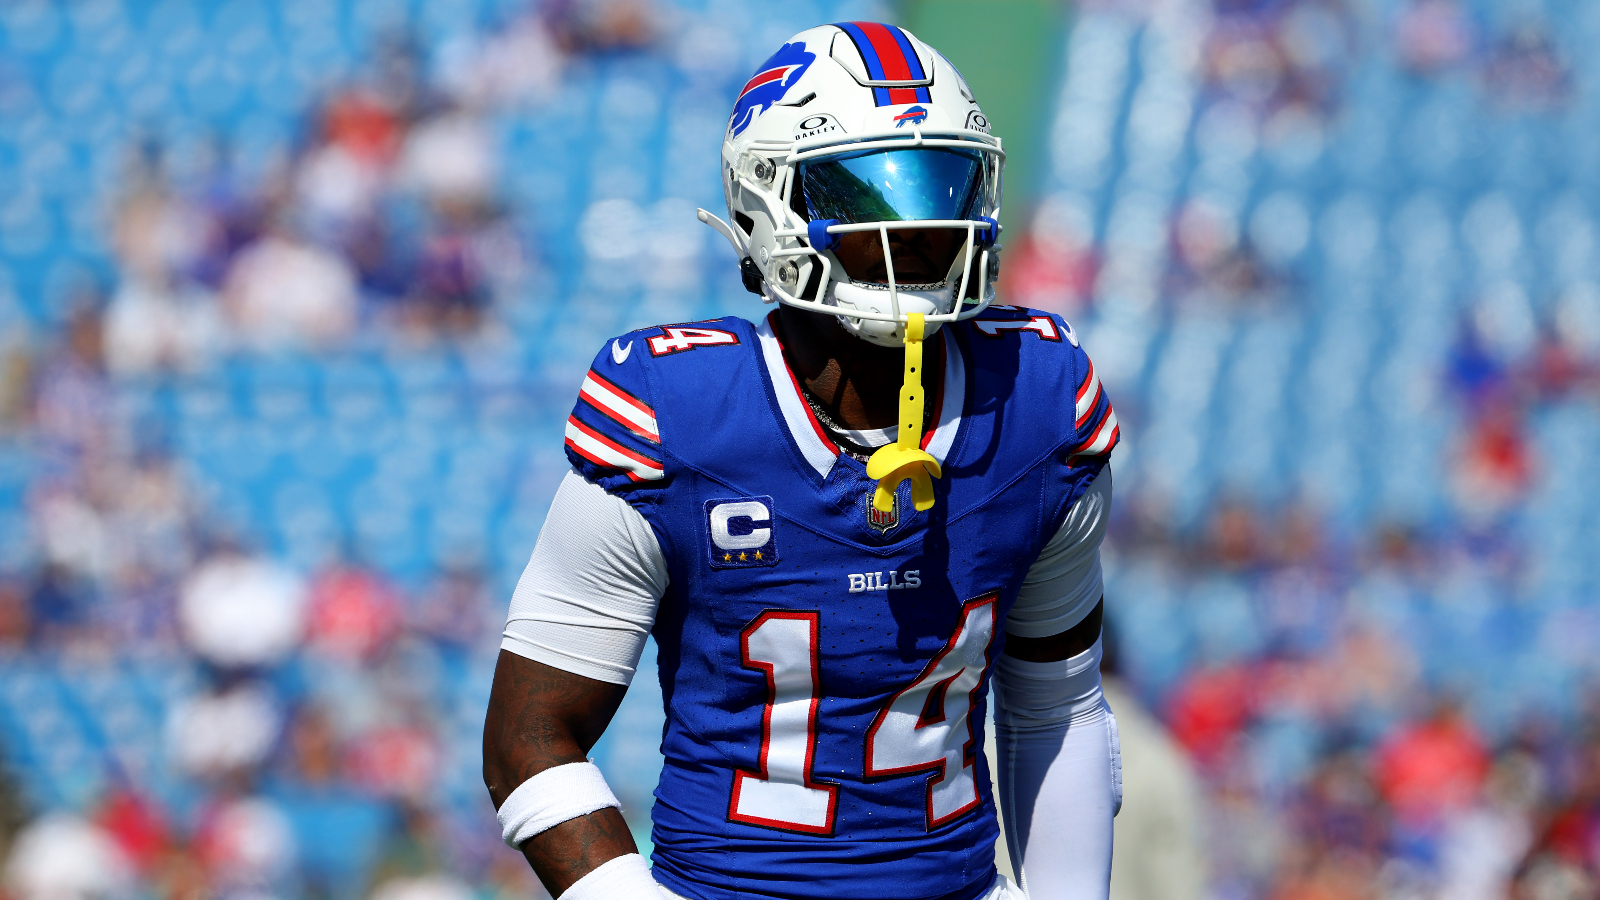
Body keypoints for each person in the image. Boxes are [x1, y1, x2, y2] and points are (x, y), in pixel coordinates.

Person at [482, 23, 1122, 900]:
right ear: (771, 206)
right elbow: (529, 736)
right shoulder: (681, 418)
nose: (922, 228)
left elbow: (1059, 704)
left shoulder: (1039, 407)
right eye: (873, 193)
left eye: (943, 184)